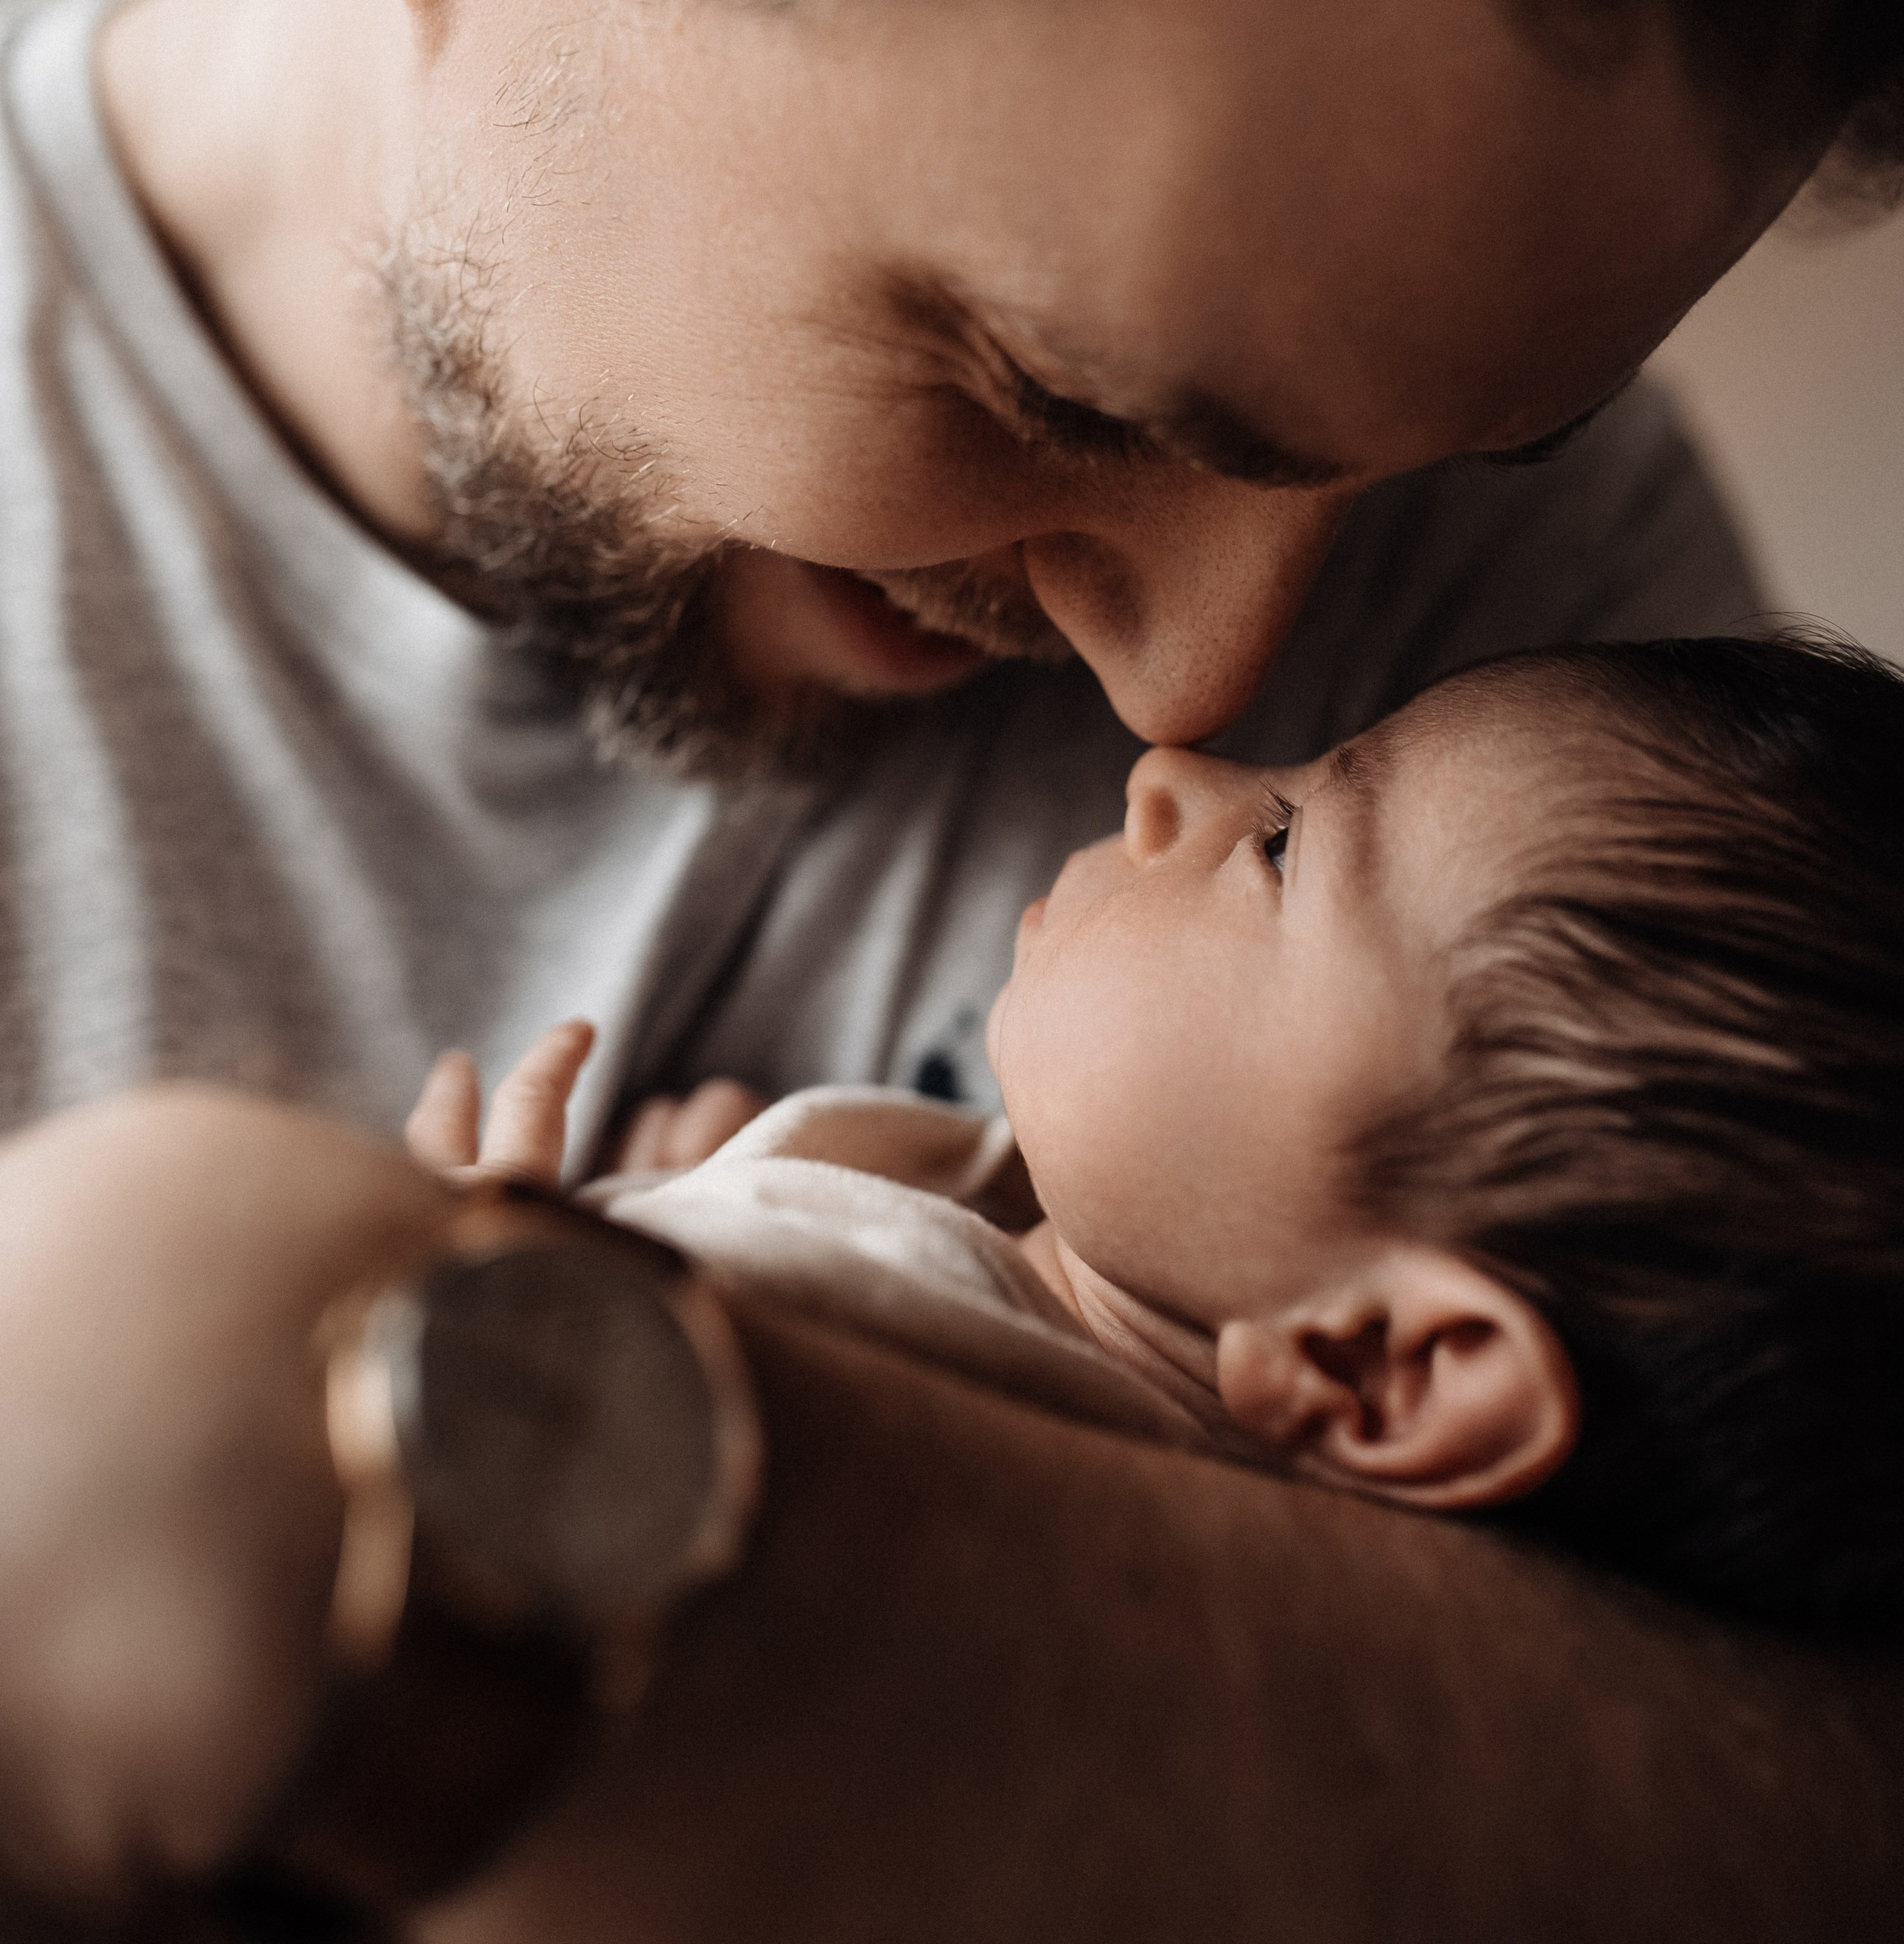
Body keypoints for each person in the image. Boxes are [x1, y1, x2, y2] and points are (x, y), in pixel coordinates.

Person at [1, 0, 1900, 1932]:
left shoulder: (1567, 740)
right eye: (1044, 384)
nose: (1214, 687)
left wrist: (340, 1478)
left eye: (1445, 463)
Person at [428, 632, 1904, 1642]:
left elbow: (460, 1521)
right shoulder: (981, 1300)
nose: (1168, 775)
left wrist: (480, 1276)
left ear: (1383, 1366)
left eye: (1279, 846)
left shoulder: (872, 1392)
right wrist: (732, 1193)